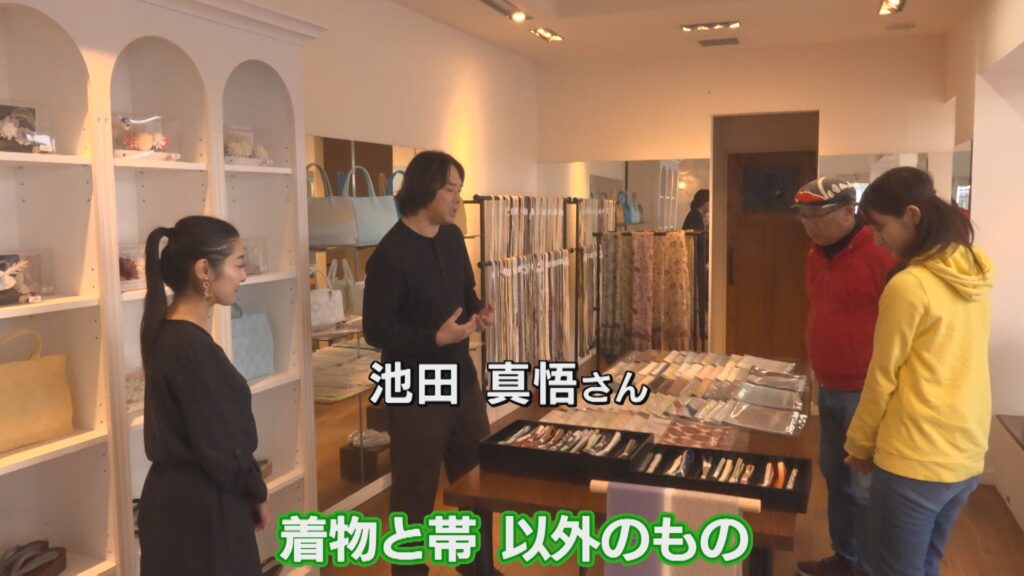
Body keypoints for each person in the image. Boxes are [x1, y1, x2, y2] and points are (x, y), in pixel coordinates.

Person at [844, 167, 993, 576]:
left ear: (911, 215)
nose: (877, 240)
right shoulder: (975, 272)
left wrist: (859, 443)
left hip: (915, 453)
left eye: (879, 227)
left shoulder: (911, 285)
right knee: (926, 564)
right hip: (966, 450)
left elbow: (882, 376)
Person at [362, 151, 497, 575]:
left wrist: (479, 311)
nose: (458, 198)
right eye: (450, 189)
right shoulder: (390, 254)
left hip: (461, 380)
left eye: (460, 189)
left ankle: (478, 567)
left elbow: (465, 293)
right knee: (414, 495)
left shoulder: (452, 237)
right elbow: (376, 330)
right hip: (414, 387)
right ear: (425, 191)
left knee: (478, 481)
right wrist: (434, 338)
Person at [137, 216, 267, 575]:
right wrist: (256, 490)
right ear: (204, 270)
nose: (244, 275)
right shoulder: (190, 348)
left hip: (177, 505)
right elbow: (220, 445)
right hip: (203, 512)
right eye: (239, 263)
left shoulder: (169, 335)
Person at [795, 177, 895, 576]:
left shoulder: (880, 253)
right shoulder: (815, 255)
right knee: (835, 476)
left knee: (866, 487)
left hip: (866, 389)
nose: (810, 226)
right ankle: (845, 557)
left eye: (817, 216)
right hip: (828, 383)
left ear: (848, 210)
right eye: (803, 218)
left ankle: (869, 568)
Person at [682, 189, 710, 344]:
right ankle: (700, 329)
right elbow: (698, 242)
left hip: (697, 260)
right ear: (704, 202)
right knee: (700, 294)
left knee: (701, 294)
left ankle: (700, 328)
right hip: (695, 261)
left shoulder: (696, 215)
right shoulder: (695, 215)